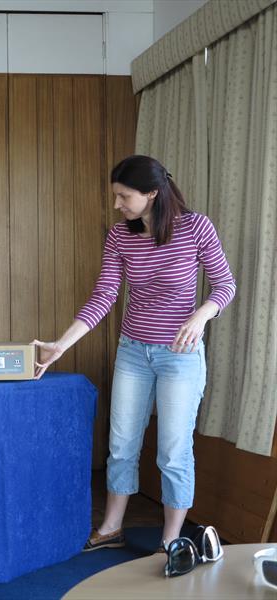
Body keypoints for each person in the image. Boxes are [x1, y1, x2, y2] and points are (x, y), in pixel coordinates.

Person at [33, 155, 236, 552]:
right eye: (116, 196)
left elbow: (224, 285)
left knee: (173, 450)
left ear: (152, 194)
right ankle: (111, 528)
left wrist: (200, 316)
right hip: (132, 353)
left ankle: (170, 541)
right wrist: (63, 343)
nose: (117, 205)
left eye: (124, 196)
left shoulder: (196, 227)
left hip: (180, 357)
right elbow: (105, 295)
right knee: (122, 444)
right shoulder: (120, 236)